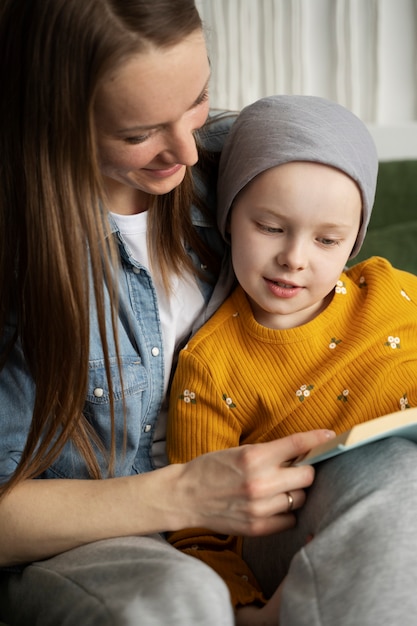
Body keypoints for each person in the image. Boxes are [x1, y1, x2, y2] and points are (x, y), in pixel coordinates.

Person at [0, 2, 337, 625]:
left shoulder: (236, 160)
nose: (187, 149)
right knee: (174, 600)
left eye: (197, 98)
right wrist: (183, 496)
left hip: (255, 499)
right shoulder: (18, 250)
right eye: (138, 134)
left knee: (401, 485)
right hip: (95, 540)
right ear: (48, 120)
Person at [167, 95, 417, 623]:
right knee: (397, 473)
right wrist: (247, 612)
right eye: (271, 228)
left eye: (328, 240)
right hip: (297, 532)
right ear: (230, 217)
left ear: (352, 244)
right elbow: (200, 526)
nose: (295, 258)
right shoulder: (211, 364)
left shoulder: (391, 292)